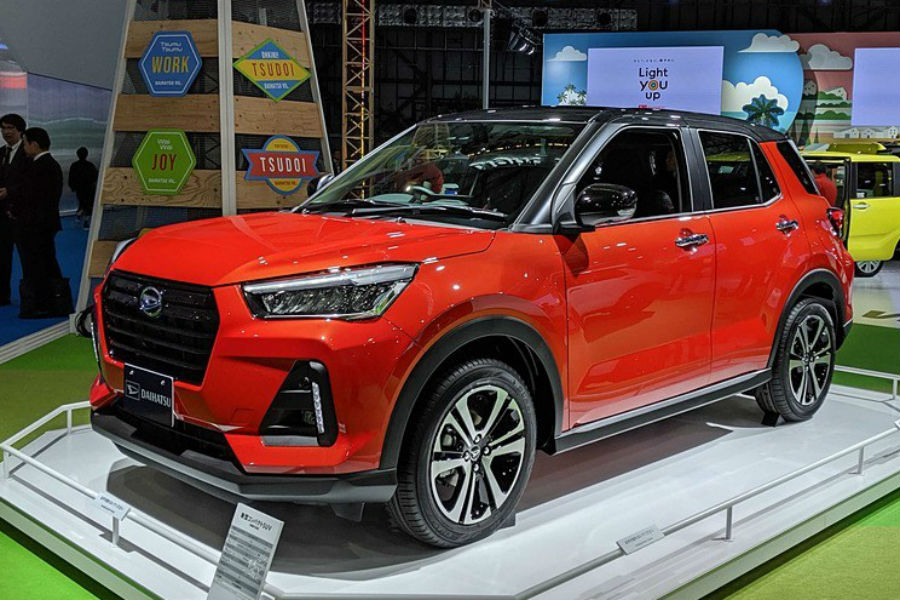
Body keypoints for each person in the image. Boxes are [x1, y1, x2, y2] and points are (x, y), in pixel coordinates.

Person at [0, 127, 72, 318]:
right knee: (46, 263)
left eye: (25, 144)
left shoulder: (42, 166)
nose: (23, 148)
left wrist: (14, 203)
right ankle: (54, 302)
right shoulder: (46, 165)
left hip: (35, 225)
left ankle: (42, 303)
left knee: (37, 265)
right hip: (41, 224)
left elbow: (32, 196)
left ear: (34, 144)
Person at [0, 113, 29, 306]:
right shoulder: (1, 152)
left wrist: (10, 191)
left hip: (22, 214)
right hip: (2, 215)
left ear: (20, 131)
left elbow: (31, 182)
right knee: (2, 256)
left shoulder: (28, 154)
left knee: (27, 256)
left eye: (10, 128)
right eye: (3, 128)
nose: (6, 132)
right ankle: (2, 295)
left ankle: (31, 297)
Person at [68, 146, 98, 227]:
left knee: (81, 203)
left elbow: (71, 177)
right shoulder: (90, 165)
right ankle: (85, 222)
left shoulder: (74, 165)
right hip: (89, 188)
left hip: (79, 188)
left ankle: (79, 216)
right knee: (88, 205)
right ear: (86, 154)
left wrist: (72, 186)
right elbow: (95, 176)